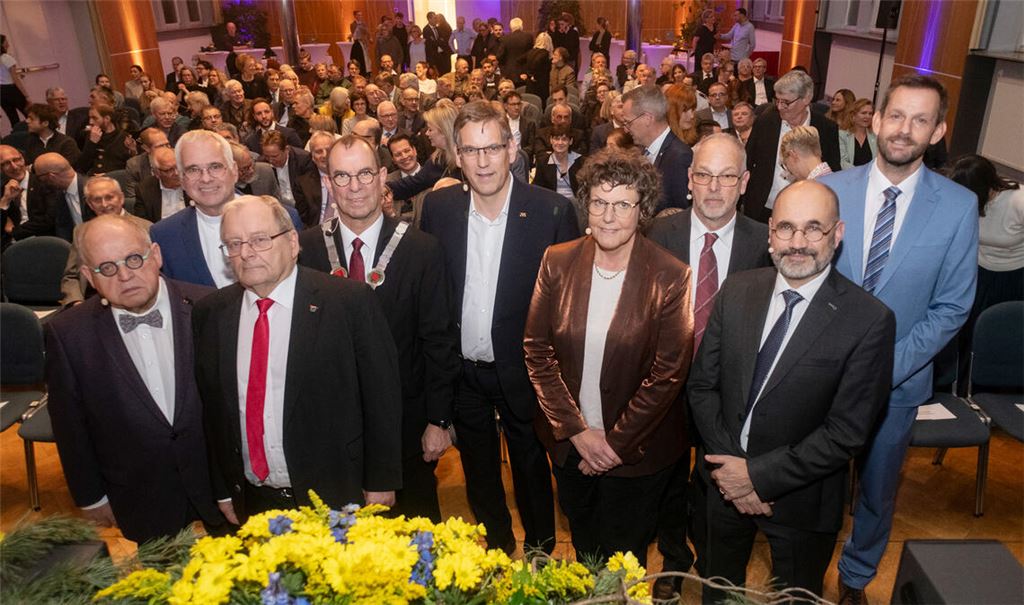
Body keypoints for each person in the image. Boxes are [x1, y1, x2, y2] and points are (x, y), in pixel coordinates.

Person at [689, 179, 895, 601]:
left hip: (802, 501)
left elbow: (847, 432)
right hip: (722, 485)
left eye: (813, 228)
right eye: (786, 228)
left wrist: (757, 477)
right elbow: (702, 386)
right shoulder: (737, 290)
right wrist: (734, 476)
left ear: (836, 235)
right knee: (717, 592)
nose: (797, 242)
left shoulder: (869, 320)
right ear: (770, 234)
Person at [821, 74, 978, 605]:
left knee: (877, 493)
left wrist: (885, 366)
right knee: (812, 485)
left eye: (920, 119)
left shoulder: (957, 207)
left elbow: (952, 305)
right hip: (818, 375)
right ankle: (803, 567)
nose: (904, 129)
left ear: (938, 132)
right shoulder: (831, 191)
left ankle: (856, 578)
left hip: (898, 382)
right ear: (877, 118)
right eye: (897, 115)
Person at [420, 100, 579, 554]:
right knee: (478, 468)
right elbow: (434, 296)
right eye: (471, 150)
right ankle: (496, 545)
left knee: (531, 467)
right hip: (463, 373)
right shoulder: (439, 208)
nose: (483, 160)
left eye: (492, 147)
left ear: (512, 149)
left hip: (526, 373)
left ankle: (541, 552)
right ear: (457, 154)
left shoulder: (551, 212)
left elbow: (565, 310)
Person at [525, 146, 691, 566]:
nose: (608, 216)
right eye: (599, 202)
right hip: (569, 446)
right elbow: (537, 349)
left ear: (643, 209)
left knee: (626, 559)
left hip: (637, 455)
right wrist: (576, 430)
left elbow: (668, 374)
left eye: (622, 204)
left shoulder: (671, 275)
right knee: (584, 547)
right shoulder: (557, 261)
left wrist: (614, 445)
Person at [194, 195, 402, 522]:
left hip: (336, 495)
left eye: (260, 240)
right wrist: (223, 488)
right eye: (233, 244)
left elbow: (382, 397)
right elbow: (214, 414)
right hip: (254, 500)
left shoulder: (348, 303)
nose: (246, 253)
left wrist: (381, 479)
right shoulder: (210, 314)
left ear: (292, 243)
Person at [296, 135, 460, 521]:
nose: (354, 187)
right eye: (342, 176)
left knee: (418, 548)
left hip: (407, 429)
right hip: (330, 435)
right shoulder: (304, 251)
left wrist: (439, 420)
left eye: (365, 174)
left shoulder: (423, 249)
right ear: (328, 183)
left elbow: (439, 341)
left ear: (382, 176)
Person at [47, 214, 224, 544]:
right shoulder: (68, 334)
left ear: (156, 255)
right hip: (141, 496)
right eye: (108, 268)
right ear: (88, 276)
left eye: (133, 259)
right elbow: (71, 426)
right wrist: (91, 497)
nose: (125, 276)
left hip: (220, 488)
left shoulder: (209, 306)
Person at [646, 133, 771, 598]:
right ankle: (674, 561)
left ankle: (719, 574)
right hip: (666, 392)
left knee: (718, 494)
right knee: (668, 485)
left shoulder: (766, 242)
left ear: (744, 183)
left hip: (733, 397)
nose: (714, 188)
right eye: (704, 176)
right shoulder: (660, 235)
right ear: (688, 181)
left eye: (726, 177)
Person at [152, 130, 301, 287]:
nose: (206, 178)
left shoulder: (283, 217)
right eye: (193, 170)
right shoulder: (165, 236)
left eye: (215, 167)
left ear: (234, 171)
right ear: (181, 178)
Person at [742, 69, 841, 223]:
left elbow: (833, 171)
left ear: (806, 98)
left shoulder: (826, 129)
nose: (780, 107)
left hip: (805, 212)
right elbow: (747, 161)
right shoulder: (765, 122)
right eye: (777, 100)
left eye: (786, 102)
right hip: (762, 208)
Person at [949, 154, 1023, 315]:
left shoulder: (1019, 201)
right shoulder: (964, 199)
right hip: (978, 269)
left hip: (1013, 276)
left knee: (1000, 324)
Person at [61, 176, 152, 306]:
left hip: (133, 299)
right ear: (90, 204)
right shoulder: (81, 232)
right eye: (97, 200)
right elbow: (71, 276)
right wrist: (75, 302)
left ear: (121, 198)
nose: (104, 204)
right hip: (91, 301)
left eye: (109, 197)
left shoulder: (147, 228)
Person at [620, 84, 693, 212]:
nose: (625, 130)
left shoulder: (679, 156)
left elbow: (679, 213)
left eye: (628, 122)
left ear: (647, 119)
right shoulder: (643, 151)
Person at [34, 152, 91, 241]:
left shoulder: (93, 191)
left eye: (39, 177)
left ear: (51, 176)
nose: (40, 182)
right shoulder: (57, 195)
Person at [134, 146, 187, 224]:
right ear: (157, 173)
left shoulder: (192, 182)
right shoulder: (144, 190)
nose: (176, 173)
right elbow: (142, 224)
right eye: (169, 170)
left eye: (178, 166)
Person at [532, 123, 583, 200]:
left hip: (575, 205)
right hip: (552, 204)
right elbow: (537, 187)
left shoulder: (581, 162)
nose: (560, 143)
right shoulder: (543, 162)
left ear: (571, 141)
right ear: (551, 140)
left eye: (564, 139)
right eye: (556, 139)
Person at [838, 98, 877, 170]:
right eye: (864, 113)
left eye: (870, 114)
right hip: (849, 176)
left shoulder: (875, 137)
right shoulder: (842, 135)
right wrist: (861, 173)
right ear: (853, 116)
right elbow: (842, 162)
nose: (867, 116)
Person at [0, 35, 29, 127]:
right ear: (2, 44)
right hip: (12, 90)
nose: (8, 43)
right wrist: (26, 96)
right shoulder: (7, 58)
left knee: (13, 119)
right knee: (30, 114)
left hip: (1, 92)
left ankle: (18, 139)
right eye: (6, 41)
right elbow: (15, 79)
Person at [500, 18, 533, 84]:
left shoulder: (505, 38)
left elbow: (500, 55)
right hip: (524, 71)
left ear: (511, 27)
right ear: (521, 26)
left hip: (510, 72)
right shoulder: (529, 37)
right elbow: (530, 54)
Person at [522, 33, 553, 104]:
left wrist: (528, 74)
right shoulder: (545, 53)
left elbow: (520, 60)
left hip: (530, 83)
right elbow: (537, 62)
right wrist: (534, 75)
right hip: (541, 84)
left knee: (531, 103)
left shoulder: (531, 51)